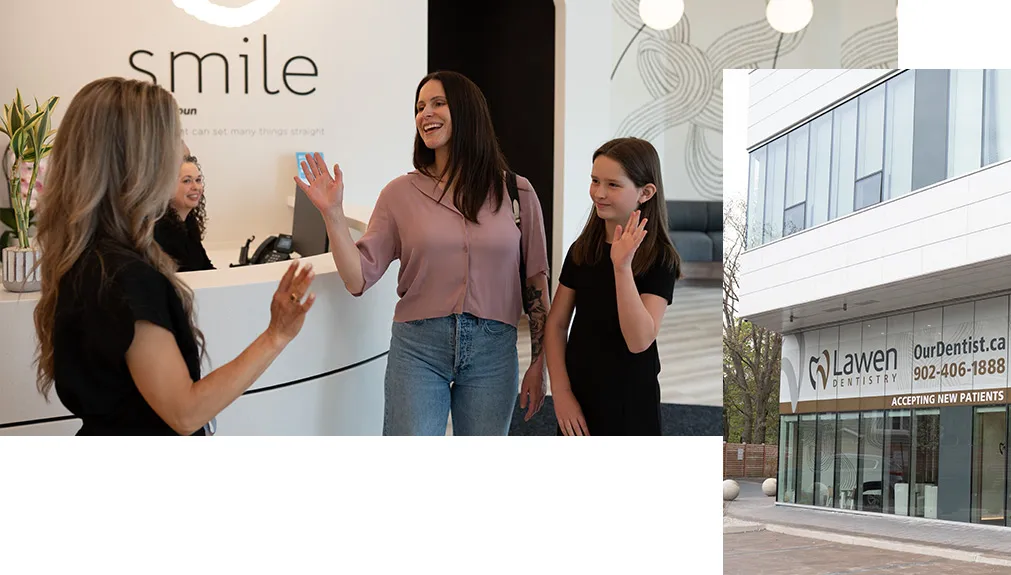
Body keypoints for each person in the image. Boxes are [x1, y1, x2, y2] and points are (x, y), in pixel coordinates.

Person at [31, 77, 317, 436]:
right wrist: (277, 334)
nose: (182, 152)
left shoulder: (85, 256)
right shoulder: (129, 278)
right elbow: (185, 412)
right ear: (139, 161)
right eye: (172, 143)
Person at [294, 70, 550, 436]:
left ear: (467, 111)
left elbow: (536, 283)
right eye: (419, 107)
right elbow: (357, 278)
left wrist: (540, 363)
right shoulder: (399, 194)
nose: (425, 113)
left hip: (494, 351)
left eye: (438, 103)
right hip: (418, 349)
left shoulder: (516, 191)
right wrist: (332, 215)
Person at [545, 137, 682, 436]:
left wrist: (621, 266)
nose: (599, 193)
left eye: (613, 185)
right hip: (579, 396)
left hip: (631, 403)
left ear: (645, 193)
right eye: (595, 181)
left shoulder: (660, 258)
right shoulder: (582, 250)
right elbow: (556, 324)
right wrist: (562, 392)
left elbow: (639, 340)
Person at [154, 155, 215, 272]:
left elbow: (206, 268)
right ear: (167, 186)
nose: (196, 187)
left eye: (198, 180)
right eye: (187, 181)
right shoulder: (160, 230)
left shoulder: (189, 222)